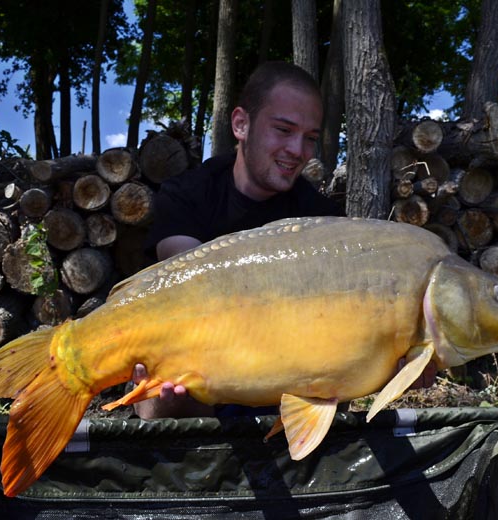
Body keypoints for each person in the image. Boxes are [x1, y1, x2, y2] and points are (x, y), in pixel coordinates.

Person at [133, 61, 436, 419]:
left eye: (310, 137)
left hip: (289, 384)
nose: (298, 150)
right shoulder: (187, 193)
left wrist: (394, 362)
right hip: (200, 354)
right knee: (158, 398)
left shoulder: (322, 220)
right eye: (283, 130)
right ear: (241, 124)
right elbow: (189, 292)